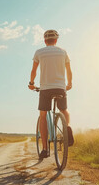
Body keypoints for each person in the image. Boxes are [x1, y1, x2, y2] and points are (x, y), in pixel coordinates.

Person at [28, 29, 74, 160]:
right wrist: (69, 84)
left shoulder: (39, 52)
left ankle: (45, 149)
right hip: (60, 87)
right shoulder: (63, 52)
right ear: (56, 40)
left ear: (44, 40)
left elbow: (33, 71)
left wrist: (31, 83)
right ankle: (67, 127)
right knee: (64, 109)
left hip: (45, 89)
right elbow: (69, 72)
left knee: (43, 116)